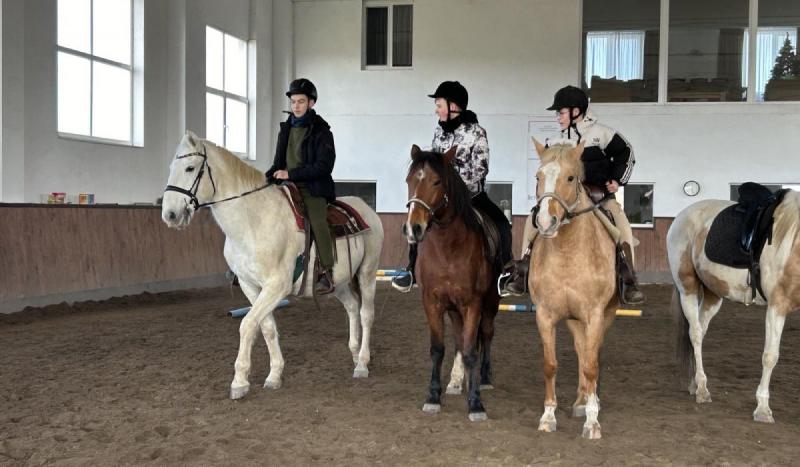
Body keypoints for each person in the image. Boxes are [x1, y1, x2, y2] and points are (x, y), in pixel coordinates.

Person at [503, 85, 645, 304]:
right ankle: (522, 271)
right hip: (564, 199)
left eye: (561, 112)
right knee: (533, 221)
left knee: (621, 224)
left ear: (576, 111)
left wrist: (617, 180)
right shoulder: (553, 141)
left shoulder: (602, 134)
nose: (557, 117)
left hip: (598, 197)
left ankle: (629, 279)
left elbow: (627, 153)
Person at [392, 81, 513, 292]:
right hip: (442, 197)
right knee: (417, 218)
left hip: (472, 196)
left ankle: (505, 272)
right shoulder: (439, 132)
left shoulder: (477, 132)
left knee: (502, 224)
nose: (436, 109)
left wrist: (456, 186)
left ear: (453, 106)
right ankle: (411, 268)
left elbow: (481, 168)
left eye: (439, 105)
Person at [266, 78, 337, 295]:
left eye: (301, 101)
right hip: (287, 185)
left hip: (312, 187)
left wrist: (292, 173)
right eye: (293, 101)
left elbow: (324, 166)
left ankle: (327, 271)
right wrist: (266, 178)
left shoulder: (322, 131)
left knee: (317, 221)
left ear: (311, 103)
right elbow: (278, 163)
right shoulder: (285, 129)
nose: (296, 106)